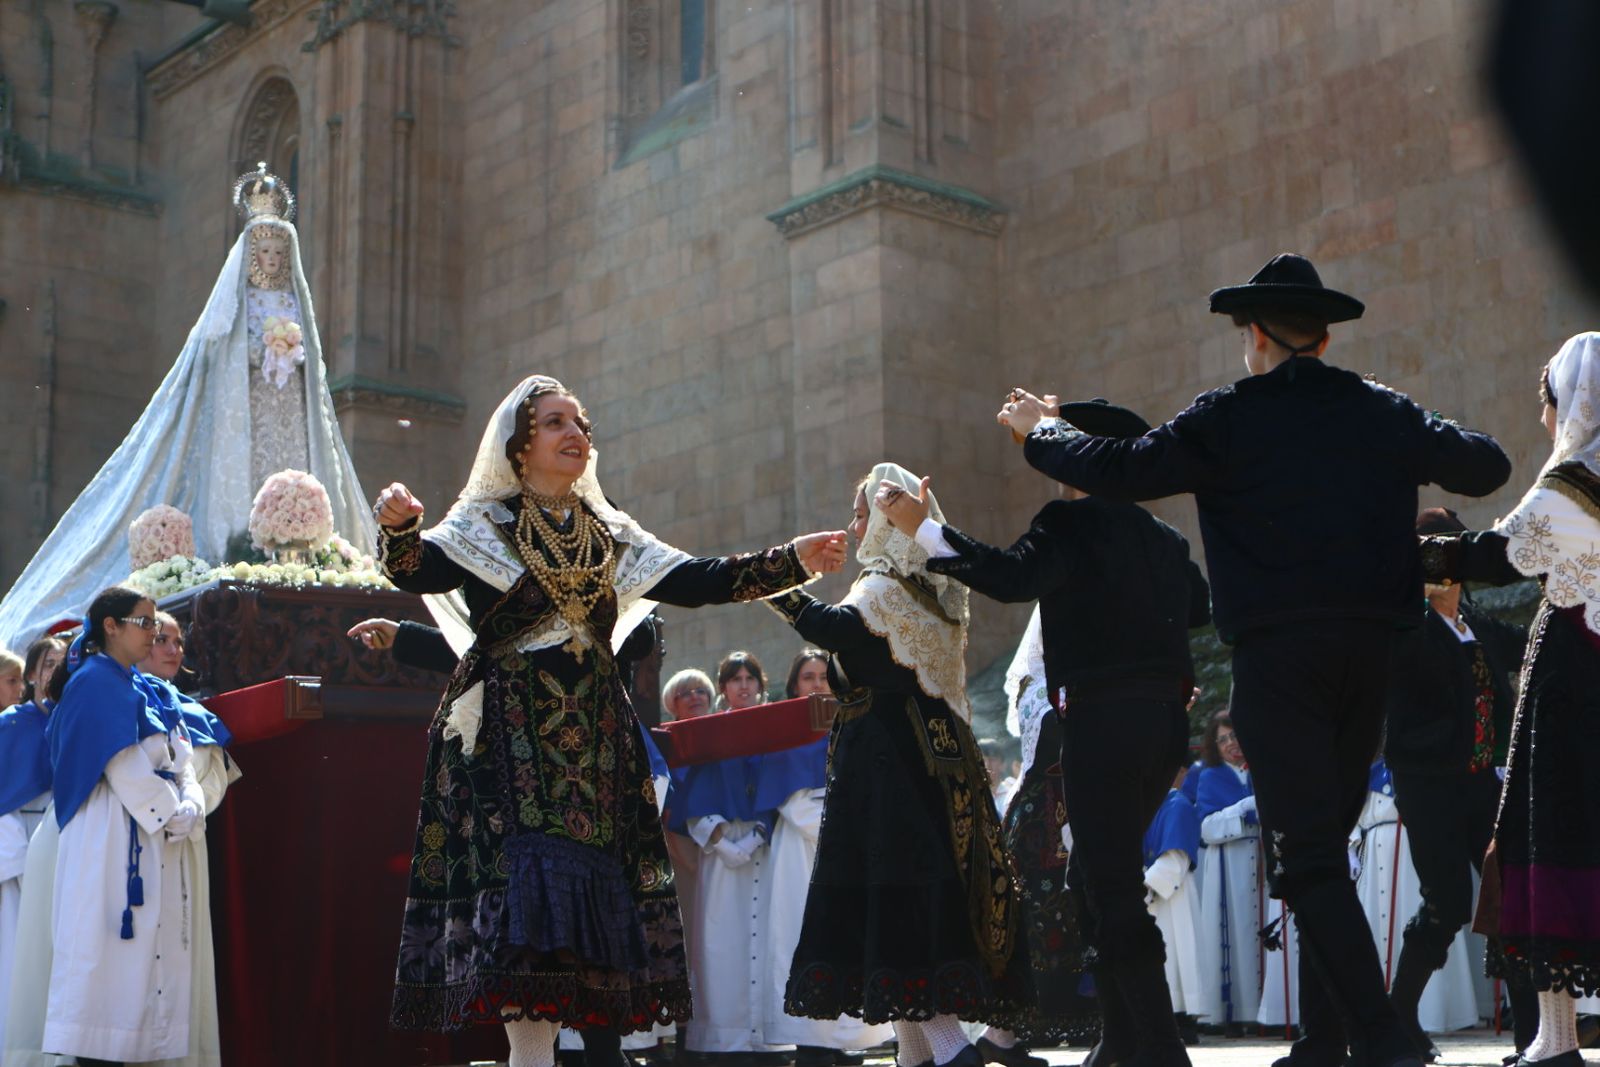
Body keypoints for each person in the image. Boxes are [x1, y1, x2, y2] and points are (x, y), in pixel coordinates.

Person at [1000, 253, 1512, 1067]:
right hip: (1367, 657)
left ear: (1257, 334)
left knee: (1307, 853)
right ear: (1324, 334)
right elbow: (1487, 463)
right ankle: (1323, 1039)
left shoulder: (1229, 415)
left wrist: (1043, 433)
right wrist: (1391, 429)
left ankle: (1381, 1037)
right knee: (1324, 847)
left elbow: (1122, 469)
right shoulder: (1377, 410)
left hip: (1283, 660)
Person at [374, 374, 846, 1067]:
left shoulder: (608, 532)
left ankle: (603, 1056)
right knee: (527, 906)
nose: (576, 434)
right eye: (557, 422)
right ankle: (530, 1059)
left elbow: (698, 578)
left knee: (599, 905)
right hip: (511, 742)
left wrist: (791, 562)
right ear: (520, 443)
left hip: (598, 748)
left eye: (583, 423)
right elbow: (416, 568)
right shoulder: (482, 528)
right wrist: (397, 527)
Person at [878, 399, 1209, 1067]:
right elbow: (1198, 607)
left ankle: (1161, 1050)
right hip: (1163, 726)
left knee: (1109, 884)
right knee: (1095, 876)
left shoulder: (1070, 523)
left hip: (1104, 725)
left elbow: (1009, 575)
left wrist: (923, 529)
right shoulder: (1163, 538)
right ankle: (1119, 1037)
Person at [0, 164, 373, 652]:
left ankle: (297, 539)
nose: (273, 258)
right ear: (250, 255)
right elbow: (221, 355)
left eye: (281, 252)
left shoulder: (293, 301)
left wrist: (290, 352)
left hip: (287, 406)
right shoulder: (234, 305)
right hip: (249, 406)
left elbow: (313, 364)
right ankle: (248, 538)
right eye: (265, 251)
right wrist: (264, 353)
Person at [766, 463, 1030, 1067]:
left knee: (899, 918)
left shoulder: (885, 589)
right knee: (901, 922)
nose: (854, 525)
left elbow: (831, 629)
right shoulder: (934, 595)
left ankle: (953, 1052)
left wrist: (771, 579)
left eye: (863, 513)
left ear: (890, 521)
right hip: (929, 768)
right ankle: (922, 1057)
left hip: (888, 776)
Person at [1420, 332, 1600, 1066]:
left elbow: (1498, 555)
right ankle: (1551, 1035)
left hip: (1571, 685)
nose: (1544, 419)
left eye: (1546, 403)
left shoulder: (1572, 486)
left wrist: (1413, 555)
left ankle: (1555, 1040)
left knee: (1548, 845)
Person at [1385, 507, 1537, 1059]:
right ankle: (1397, 1017)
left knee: (1505, 901)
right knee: (1447, 904)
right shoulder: (1405, 628)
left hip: (1479, 783)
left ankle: (1534, 1038)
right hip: (1427, 783)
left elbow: (1536, 646)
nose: (1439, 561)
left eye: (1446, 549)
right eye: (1429, 550)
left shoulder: (1479, 625)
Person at [42, 586, 207, 1066]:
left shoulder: (141, 683)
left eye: (156, 622)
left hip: (152, 829)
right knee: (110, 960)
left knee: (146, 965)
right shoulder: (94, 680)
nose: (154, 632)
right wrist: (170, 811)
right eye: (144, 622)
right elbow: (119, 761)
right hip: (113, 836)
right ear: (110, 626)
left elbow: (182, 752)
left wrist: (191, 801)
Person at [980, 607, 1100, 1062]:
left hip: (1081, 808)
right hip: (1039, 820)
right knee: (1032, 922)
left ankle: (1104, 1029)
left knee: (1087, 915)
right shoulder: (1037, 684)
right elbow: (1056, 738)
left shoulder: (1082, 676)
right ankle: (1003, 1034)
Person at [762, 651, 892, 1066]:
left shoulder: (856, 725)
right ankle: (812, 1041)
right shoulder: (783, 734)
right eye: (808, 677)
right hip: (800, 854)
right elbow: (792, 802)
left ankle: (845, 1039)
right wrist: (844, 821)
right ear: (794, 684)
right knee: (799, 937)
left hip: (848, 855)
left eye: (824, 676)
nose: (817, 684)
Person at [131, 611, 239, 1067]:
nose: (174, 650)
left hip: (183, 844)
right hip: (133, 845)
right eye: (161, 640)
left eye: (178, 642)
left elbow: (213, 777)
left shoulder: (193, 713)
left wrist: (189, 807)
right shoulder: (119, 699)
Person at [674, 652, 789, 1062]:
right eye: (734, 679)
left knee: (769, 939)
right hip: (719, 855)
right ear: (722, 687)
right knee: (722, 943)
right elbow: (690, 798)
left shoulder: (775, 731)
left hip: (765, 849)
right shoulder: (708, 732)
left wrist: (757, 836)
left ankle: (766, 1036)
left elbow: (784, 789)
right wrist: (723, 843)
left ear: (760, 684)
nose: (743, 686)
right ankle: (726, 1038)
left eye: (750, 678)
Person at [1350, 759, 1479, 1045]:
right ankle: (1401, 1009)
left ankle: (1533, 1030)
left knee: (1508, 890)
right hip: (1427, 772)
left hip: (1484, 771)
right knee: (1445, 904)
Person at [0, 638, 64, 1055]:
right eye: (48, 664)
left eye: (64, 664)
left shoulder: (77, 721)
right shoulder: (9, 726)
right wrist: (20, 859)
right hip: (18, 861)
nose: (55, 673)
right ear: (33, 677)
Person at [1192, 712, 1261, 1034]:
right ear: (1214, 747)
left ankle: (1267, 1011)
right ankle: (1235, 1013)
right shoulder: (1212, 776)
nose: (1231, 744)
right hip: (1229, 866)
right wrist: (1243, 812)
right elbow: (1206, 827)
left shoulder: (1263, 769)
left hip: (1263, 864)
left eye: (1235, 736)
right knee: (1237, 936)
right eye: (1223, 739)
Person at [1143, 770, 1205, 1045]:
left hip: (1169, 897)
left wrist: (1139, 889)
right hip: (1145, 895)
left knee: (1175, 957)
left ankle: (1180, 1020)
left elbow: (1175, 860)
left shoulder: (1176, 805)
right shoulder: (1143, 805)